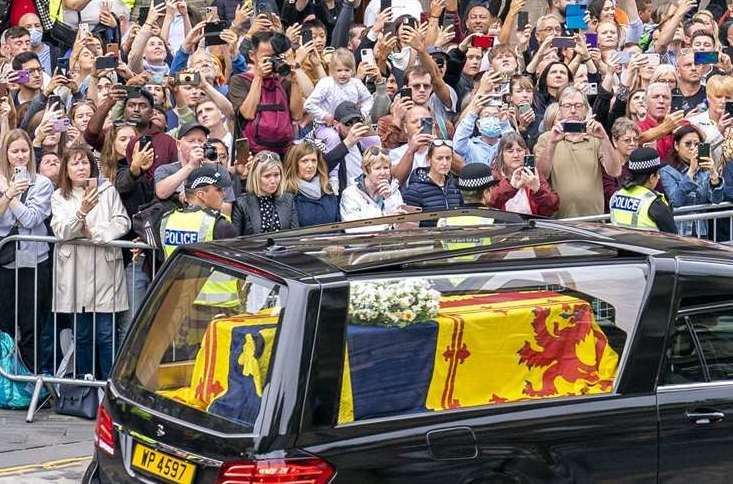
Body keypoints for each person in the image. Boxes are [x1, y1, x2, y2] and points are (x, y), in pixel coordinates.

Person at [50, 145, 130, 379]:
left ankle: (108, 386)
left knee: (106, 333)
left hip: (104, 269)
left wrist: (96, 233)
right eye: (75, 163)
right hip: (74, 272)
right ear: (66, 169)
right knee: (82, 334)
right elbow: (61, 230)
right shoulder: (59, 196)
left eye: (84, 162)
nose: (81, 167)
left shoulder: (108, 191)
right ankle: (84, 386)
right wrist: (80, 213)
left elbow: (122, 222)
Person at [0, 129, 53, 371]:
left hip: (34, 261)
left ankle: (31, 379)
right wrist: (8, 191)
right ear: (6, 154)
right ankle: (8, 379)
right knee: (6, 323)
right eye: (15, 151)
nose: (20, 156)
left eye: (24, 150)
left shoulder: (42, 183)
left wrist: (10, 196)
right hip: (6, 261)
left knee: (31, 323)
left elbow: (31, 218)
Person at [538, 85, 621, 217]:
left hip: (593, 220)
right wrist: (552, 143)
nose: (572, 110)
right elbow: (541, 176)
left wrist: (604, 138)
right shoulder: (546, 138)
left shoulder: (596, 138)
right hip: (559, 222)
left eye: (578, 105)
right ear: (559, 110)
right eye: (567, 106)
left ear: (586, 109)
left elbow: (615, 171)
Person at [660, 125, 725, 238]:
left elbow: (717, 200)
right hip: (679, 232)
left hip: (702, 232)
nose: (692, 148)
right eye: (688, 144)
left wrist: (714, 175)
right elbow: (676, 201)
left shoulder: (704, 170)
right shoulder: (667, 171)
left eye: (696, 144)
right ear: (676, 145)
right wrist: (691, 172)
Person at [159, 166, 237, 258]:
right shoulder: (220, 225)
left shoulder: (166, 219)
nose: (223, 194)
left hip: (172, 272)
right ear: (201, 195)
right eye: (218, 190)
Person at [488, 133, 559, 216]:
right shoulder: (493, 175)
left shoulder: (534, 174)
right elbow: (489, 204)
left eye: (519, 150)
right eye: (510, 151)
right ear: (501, 154)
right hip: (503, 226)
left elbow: (552, 207)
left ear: (525, 152)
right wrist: (510, 187)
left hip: (531, 226)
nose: (516, 155)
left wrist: (538, 190)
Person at [610, 146, 677, 233]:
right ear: (652, 177)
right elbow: (673, 236)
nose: (659, 177)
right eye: (658, 174)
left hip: (621, 245)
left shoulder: (616, 196)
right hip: (650, 246)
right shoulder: (653, 202)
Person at [231, 152, 299, 235]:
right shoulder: (242, 204)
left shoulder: (288, 199)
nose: (273, 181)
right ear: (256, 177)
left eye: (276, 175)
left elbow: (295, 235)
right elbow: (235, 240)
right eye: (267, 176)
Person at [340, 146, 404, 230]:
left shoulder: (394, 191)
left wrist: (389, 199)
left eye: (386, 167)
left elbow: (400, 226)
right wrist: (387, 221)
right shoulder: (351, 194)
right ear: (365, 170)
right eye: (377, 168)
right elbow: (353, 229)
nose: (383, 172)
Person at [402, 140, 463, 225]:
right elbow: (409, 227)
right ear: (429, 159)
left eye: (448, 158)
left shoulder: (455, 186)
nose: (445, 163)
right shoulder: (415, 190)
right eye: (439, 158)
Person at [283, 141, 340, 227]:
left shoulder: (327, 189)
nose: (310, 166)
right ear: (294, 164)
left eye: (314, 161)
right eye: (304, 161)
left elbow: (338, 223)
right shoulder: (287, 194)